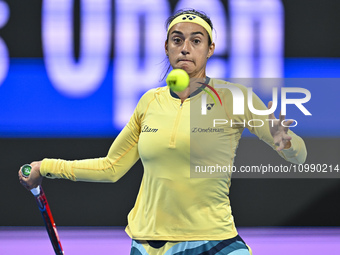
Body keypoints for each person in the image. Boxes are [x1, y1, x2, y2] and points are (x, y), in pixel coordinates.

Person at [19, 9, 307, 255]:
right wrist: (46, 167)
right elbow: (111, 168)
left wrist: (287, 142)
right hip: (150, 243)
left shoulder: (235, 98)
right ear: (166, 46)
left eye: (196, 41)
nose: (185, 48)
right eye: (177, 40)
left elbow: (300, 157)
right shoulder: (150, 102)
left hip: (214, 239)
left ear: (210, 49)